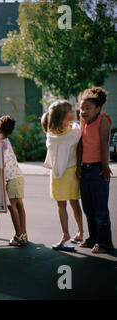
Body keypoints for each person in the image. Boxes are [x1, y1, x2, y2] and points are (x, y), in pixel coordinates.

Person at [41, 100, 84, 252]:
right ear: (63, 117)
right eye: (71, 111)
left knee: (62, 205)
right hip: (70, 172)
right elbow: (77, 133)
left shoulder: (51, 134)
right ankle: (79, 232)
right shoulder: (75, 132)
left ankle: (66, 234)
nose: (75, 112)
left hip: (58, 173)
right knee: (74, 203)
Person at [76, 87, 114, 254]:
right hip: (85, 169)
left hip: (98, 169)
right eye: (81, 108)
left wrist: (105, 166)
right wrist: (78, 166)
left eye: (88, 108)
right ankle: (93, 239)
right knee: (88, 208)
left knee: (100, 209)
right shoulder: (83, 120)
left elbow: (105, 143)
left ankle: (104, 243)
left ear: (98, 108)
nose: (83, 112)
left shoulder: (103, 120)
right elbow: (80, 144)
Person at [0, 116, 28, 246]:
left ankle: (19, 235)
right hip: (16, 178)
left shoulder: (2, 143)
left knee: (13, 207)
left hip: (13, 179)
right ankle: (23, 234)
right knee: (19, 206)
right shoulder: (5, 141)